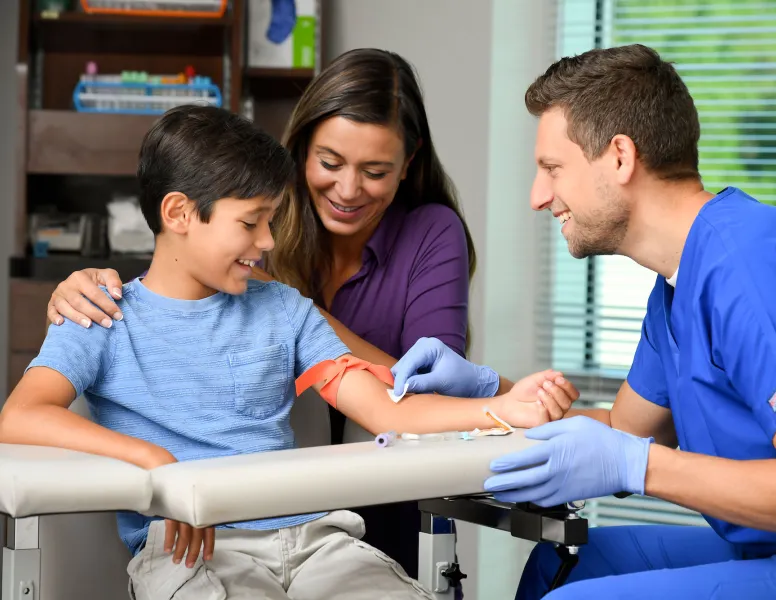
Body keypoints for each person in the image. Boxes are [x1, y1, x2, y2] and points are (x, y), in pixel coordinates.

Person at [0, 105, 577, 600]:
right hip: (191, 549)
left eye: (271, 220)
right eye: (251, 222)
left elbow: (387, 411)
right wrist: (152, 460)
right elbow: (20, 416)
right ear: (178, 214)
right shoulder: (99, 314)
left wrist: (507, 407)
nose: (270, 242)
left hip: (316, 541)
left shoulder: (284, 310)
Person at [391, 44, 776, 599]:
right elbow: (624, 431)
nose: (539, 198)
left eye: (552, 169)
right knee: (561, 568)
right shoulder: (678, 283)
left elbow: (629, 456)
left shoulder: (745, 265)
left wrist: (639, 467)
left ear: (620, 157)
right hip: (772, 546)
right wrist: (492, 392)